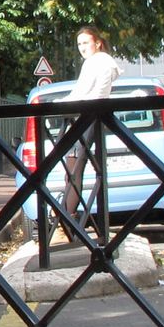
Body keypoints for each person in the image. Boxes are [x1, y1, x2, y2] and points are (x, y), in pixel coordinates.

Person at [59, 26, 123, 230]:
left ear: (97, 43)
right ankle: (66, 218)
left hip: (87, 116)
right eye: (79, 44)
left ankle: (66, 219)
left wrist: (61, 104)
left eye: (86, 43)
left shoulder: (99, 62)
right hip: (87, 115)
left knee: (75, 165)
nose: (82, 48)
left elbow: (88, 93)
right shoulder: (100, 62)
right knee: (74, 165)